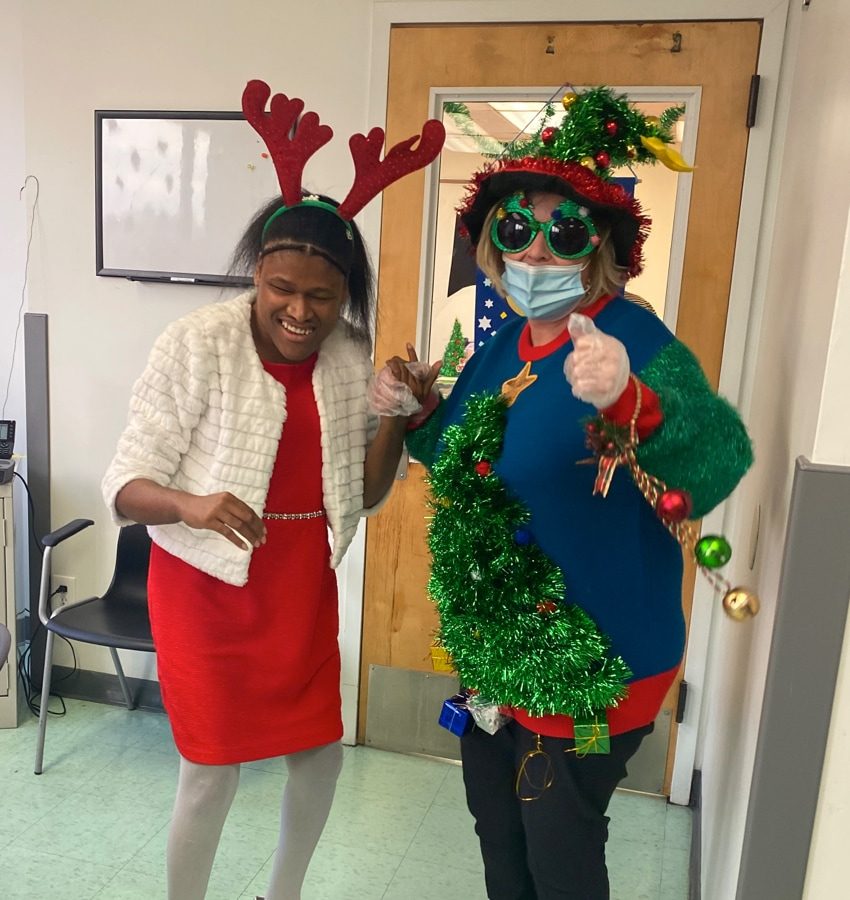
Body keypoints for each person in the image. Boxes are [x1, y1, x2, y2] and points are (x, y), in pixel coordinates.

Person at [405, 87, 753, 899]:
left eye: (564, 233)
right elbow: (455, 452)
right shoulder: (501, 350)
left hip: (596, 659)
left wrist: (631, 399)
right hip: (496, 652)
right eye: (516, 230)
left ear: (602, 246)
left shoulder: (636, 340)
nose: (534, 255)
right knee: (500, 837)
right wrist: (417, 410)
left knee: (558, 857)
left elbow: (718, 462)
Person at [102, 80, 443, 900]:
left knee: (319, 755)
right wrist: (192, 504)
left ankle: (280, 894)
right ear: (258, 273)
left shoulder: (348, 359)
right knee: (210, 772)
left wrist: (398, 414)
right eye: (282, 289)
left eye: (321, 298)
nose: (299, 311)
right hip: (205, 584)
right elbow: (124, 486)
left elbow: (361, 494)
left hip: (298, 585)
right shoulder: (196, 343)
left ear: (344, 300)